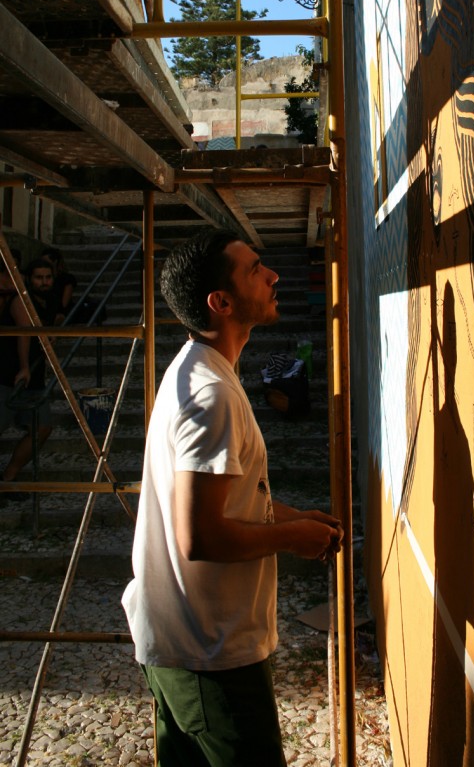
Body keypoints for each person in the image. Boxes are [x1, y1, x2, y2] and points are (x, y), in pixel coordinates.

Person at [122, 230, 343, 766]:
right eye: (255, 270)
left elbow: (229, 504)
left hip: (186, 647)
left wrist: (296, 517)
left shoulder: (201, 370)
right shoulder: (211, 393)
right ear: (220, 303)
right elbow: (200, 536)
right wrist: (292, 537)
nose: (273, 276)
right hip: (209, 654)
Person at [0, 258, 56, 494]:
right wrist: (24, 367)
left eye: (48, 277)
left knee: (42, 427)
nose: (44, 282)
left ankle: (9, 477)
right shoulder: (19, 300)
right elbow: (24, 333)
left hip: (32, 377)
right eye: (38, 278)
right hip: (12, 376)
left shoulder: (43, 301)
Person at [41, 247, 77, 324]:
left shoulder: (66, 279)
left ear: (55, 262)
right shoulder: (45, 279)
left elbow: (64, 303)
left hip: (60, 312)